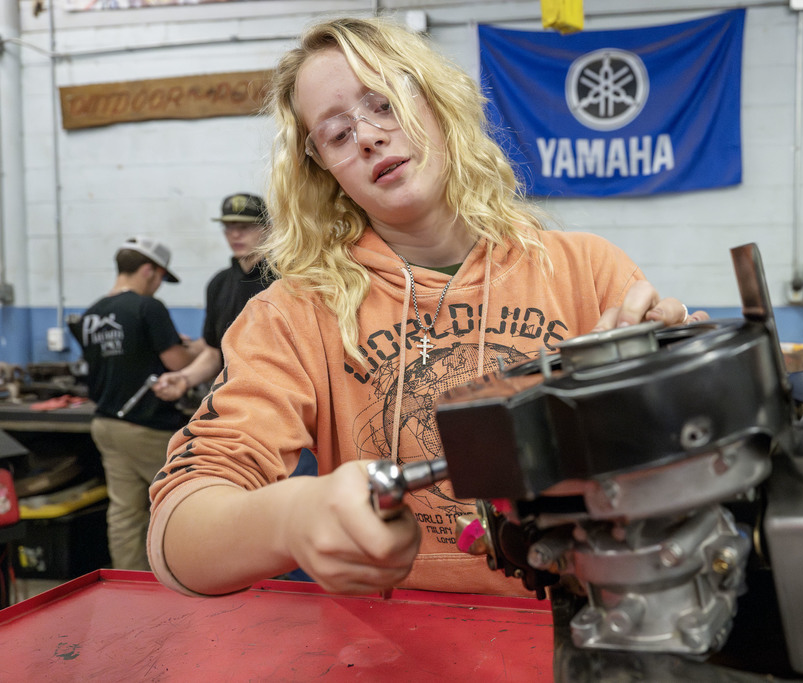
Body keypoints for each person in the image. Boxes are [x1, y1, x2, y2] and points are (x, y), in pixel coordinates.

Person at [148, 16, 706, 598]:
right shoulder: (295, 313)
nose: (366, 137)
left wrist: (669, 386)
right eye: (337, 135)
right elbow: (178, 539)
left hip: (578, 622)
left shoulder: (585, 270)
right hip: (391, 639)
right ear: (326, 171)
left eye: (384, 103)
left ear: (437, 103)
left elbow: (686, 473)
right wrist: (289, 517)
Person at [82, 236, 203, 571]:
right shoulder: (148, 307)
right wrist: (201, 350)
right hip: (146, 427)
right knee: (182, 501)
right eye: (162, 277)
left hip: (106, 423)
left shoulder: (92, 313)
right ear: (150, 270)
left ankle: (129, 583)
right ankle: (192, 577)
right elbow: (178, 363)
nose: (159, 286)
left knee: (124, 512)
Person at [152, 193, 276, 404]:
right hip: (232, 400)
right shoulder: (219, 284)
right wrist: (184, 378)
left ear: (267, 229)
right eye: (228, 226)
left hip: (277, 398)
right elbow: (213, 353)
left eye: (245, 227)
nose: (235, 234)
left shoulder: (285, 279)